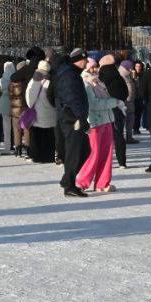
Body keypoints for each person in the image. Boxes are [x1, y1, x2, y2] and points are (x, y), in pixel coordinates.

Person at [75, 63, 120, 193]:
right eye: (92, 67)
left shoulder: (99, 82)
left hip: (106, 120)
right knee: (93, 154)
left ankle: (102, 183)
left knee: (107, 153)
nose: (95, 69)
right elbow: (93, 104)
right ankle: (81, 182)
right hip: (94, 122)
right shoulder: (85, 83)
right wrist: (114, 102)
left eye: (96, 66)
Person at [54, 48, 91, 197]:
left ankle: (67, 180)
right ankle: (69, 186)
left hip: (72, 117)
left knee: (84, 150)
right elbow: (72, 99)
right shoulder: (69, 75)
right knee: (75, 152)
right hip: (72, 119)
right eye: (85, 60)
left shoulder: (71, 73)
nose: (87, 63)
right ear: (78, 60)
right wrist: (80, 118)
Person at [9, 48, 44, 158]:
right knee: (29, 127)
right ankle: (29, 148)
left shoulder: (27, 69)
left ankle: (18, 148)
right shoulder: (42, 70)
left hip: (23, 101)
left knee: (19, 126)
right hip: (38, 102)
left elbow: (13, 77)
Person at [98, 54, 129, 168]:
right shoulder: (119, 77)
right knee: (119, 135)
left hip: (103, 110)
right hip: (118, 109)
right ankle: (122, 162)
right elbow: (126, 93)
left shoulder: (101, 79)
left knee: (103, 137)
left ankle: (105, 161)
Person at [25, 59, 57, 163]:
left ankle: (37, 156)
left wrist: (30, 106)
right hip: (51, 113)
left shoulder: (35, 80)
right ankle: (49, 156)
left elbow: (30, 98)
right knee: (49, 136)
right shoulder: (51, 80)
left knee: (37, 135)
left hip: (38, 113)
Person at [0, 61, 15, 154]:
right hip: (14, 102)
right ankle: (15, 145)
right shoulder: (15, 77)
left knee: (6, 126)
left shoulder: (3, 78)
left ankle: (7, 146)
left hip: (4, 102)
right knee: (15, 126)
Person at [118, 60, 138, 143]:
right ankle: (122, 138)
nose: (131, 69)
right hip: (124, 101)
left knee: (130, 120)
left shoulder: (127, 75)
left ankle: (129, 137)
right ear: (125, 67)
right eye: (130, 68)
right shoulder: (121, 75)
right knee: (123, 121)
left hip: (130, 101)